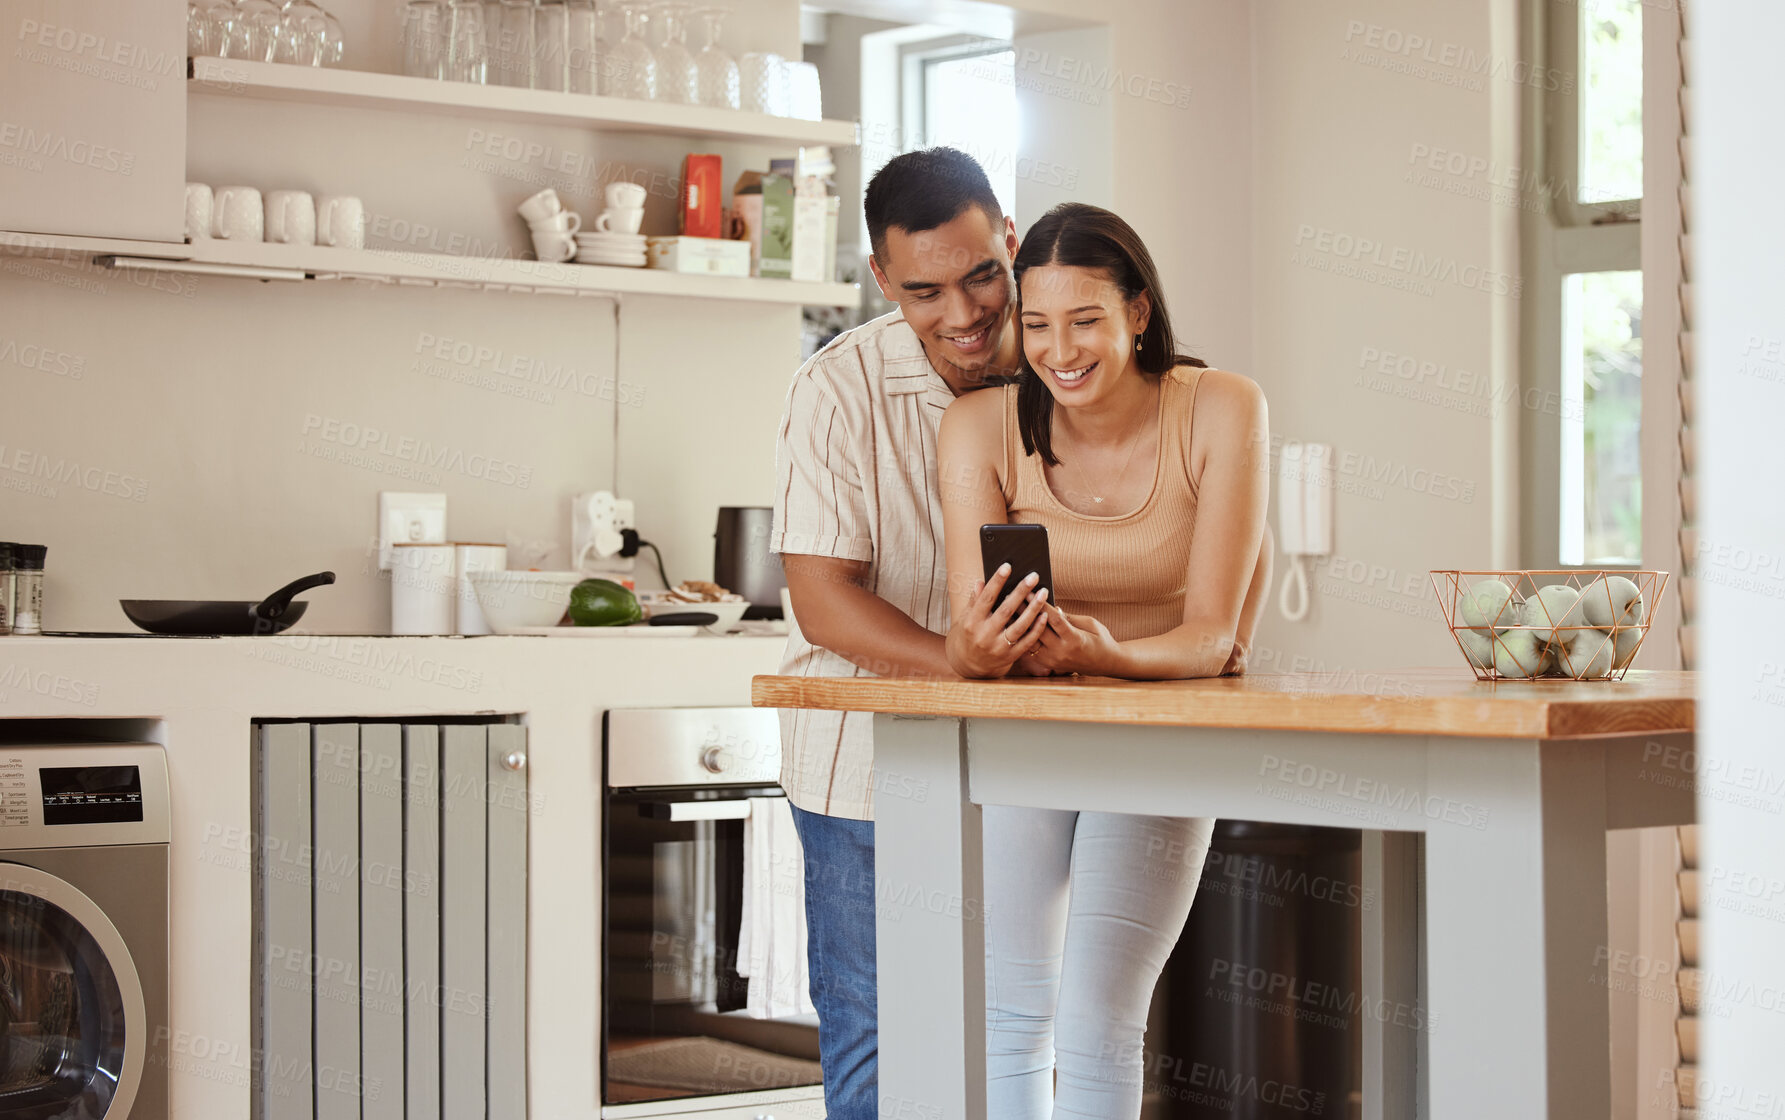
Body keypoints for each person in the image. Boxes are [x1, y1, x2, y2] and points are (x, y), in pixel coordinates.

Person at [938, 201, 1272, 1117]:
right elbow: (974, 635)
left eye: (1084, 320)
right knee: (1007, 1014)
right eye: (1036, 324)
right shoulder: (979, 425)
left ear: (1136, 311)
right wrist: (974, 648)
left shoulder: (1221, 409)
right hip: (1027, 728)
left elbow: (1213, 637)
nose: (1058, 350)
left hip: (1160, 730)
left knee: (1096, 1015)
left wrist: (1109, 654)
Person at [768, 146, 1027, 1119]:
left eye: (979, 278)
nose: (961, 316)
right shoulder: (836, 390)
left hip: (1025, 764)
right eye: (924, 292)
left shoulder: (1058, 362)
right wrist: (960, 667)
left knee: (1009, 1034)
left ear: (1009, 240)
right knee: (880, 1040)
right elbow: (824, 599)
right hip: (863, 768)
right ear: (882, 278)